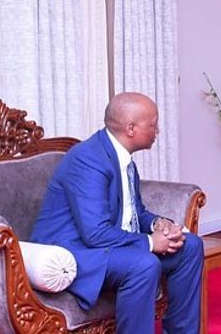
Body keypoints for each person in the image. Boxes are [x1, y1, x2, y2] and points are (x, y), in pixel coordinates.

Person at [31, 92, 203, 333]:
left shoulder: (122, 157)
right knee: (144, 264)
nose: (158, 131)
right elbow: (95, 234)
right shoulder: (88, 160)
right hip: (73, 252)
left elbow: (134, 213)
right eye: (153, 125)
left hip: (106, 246)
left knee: (190, 245)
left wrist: (157, 224)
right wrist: (150, 243)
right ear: (131, 128)